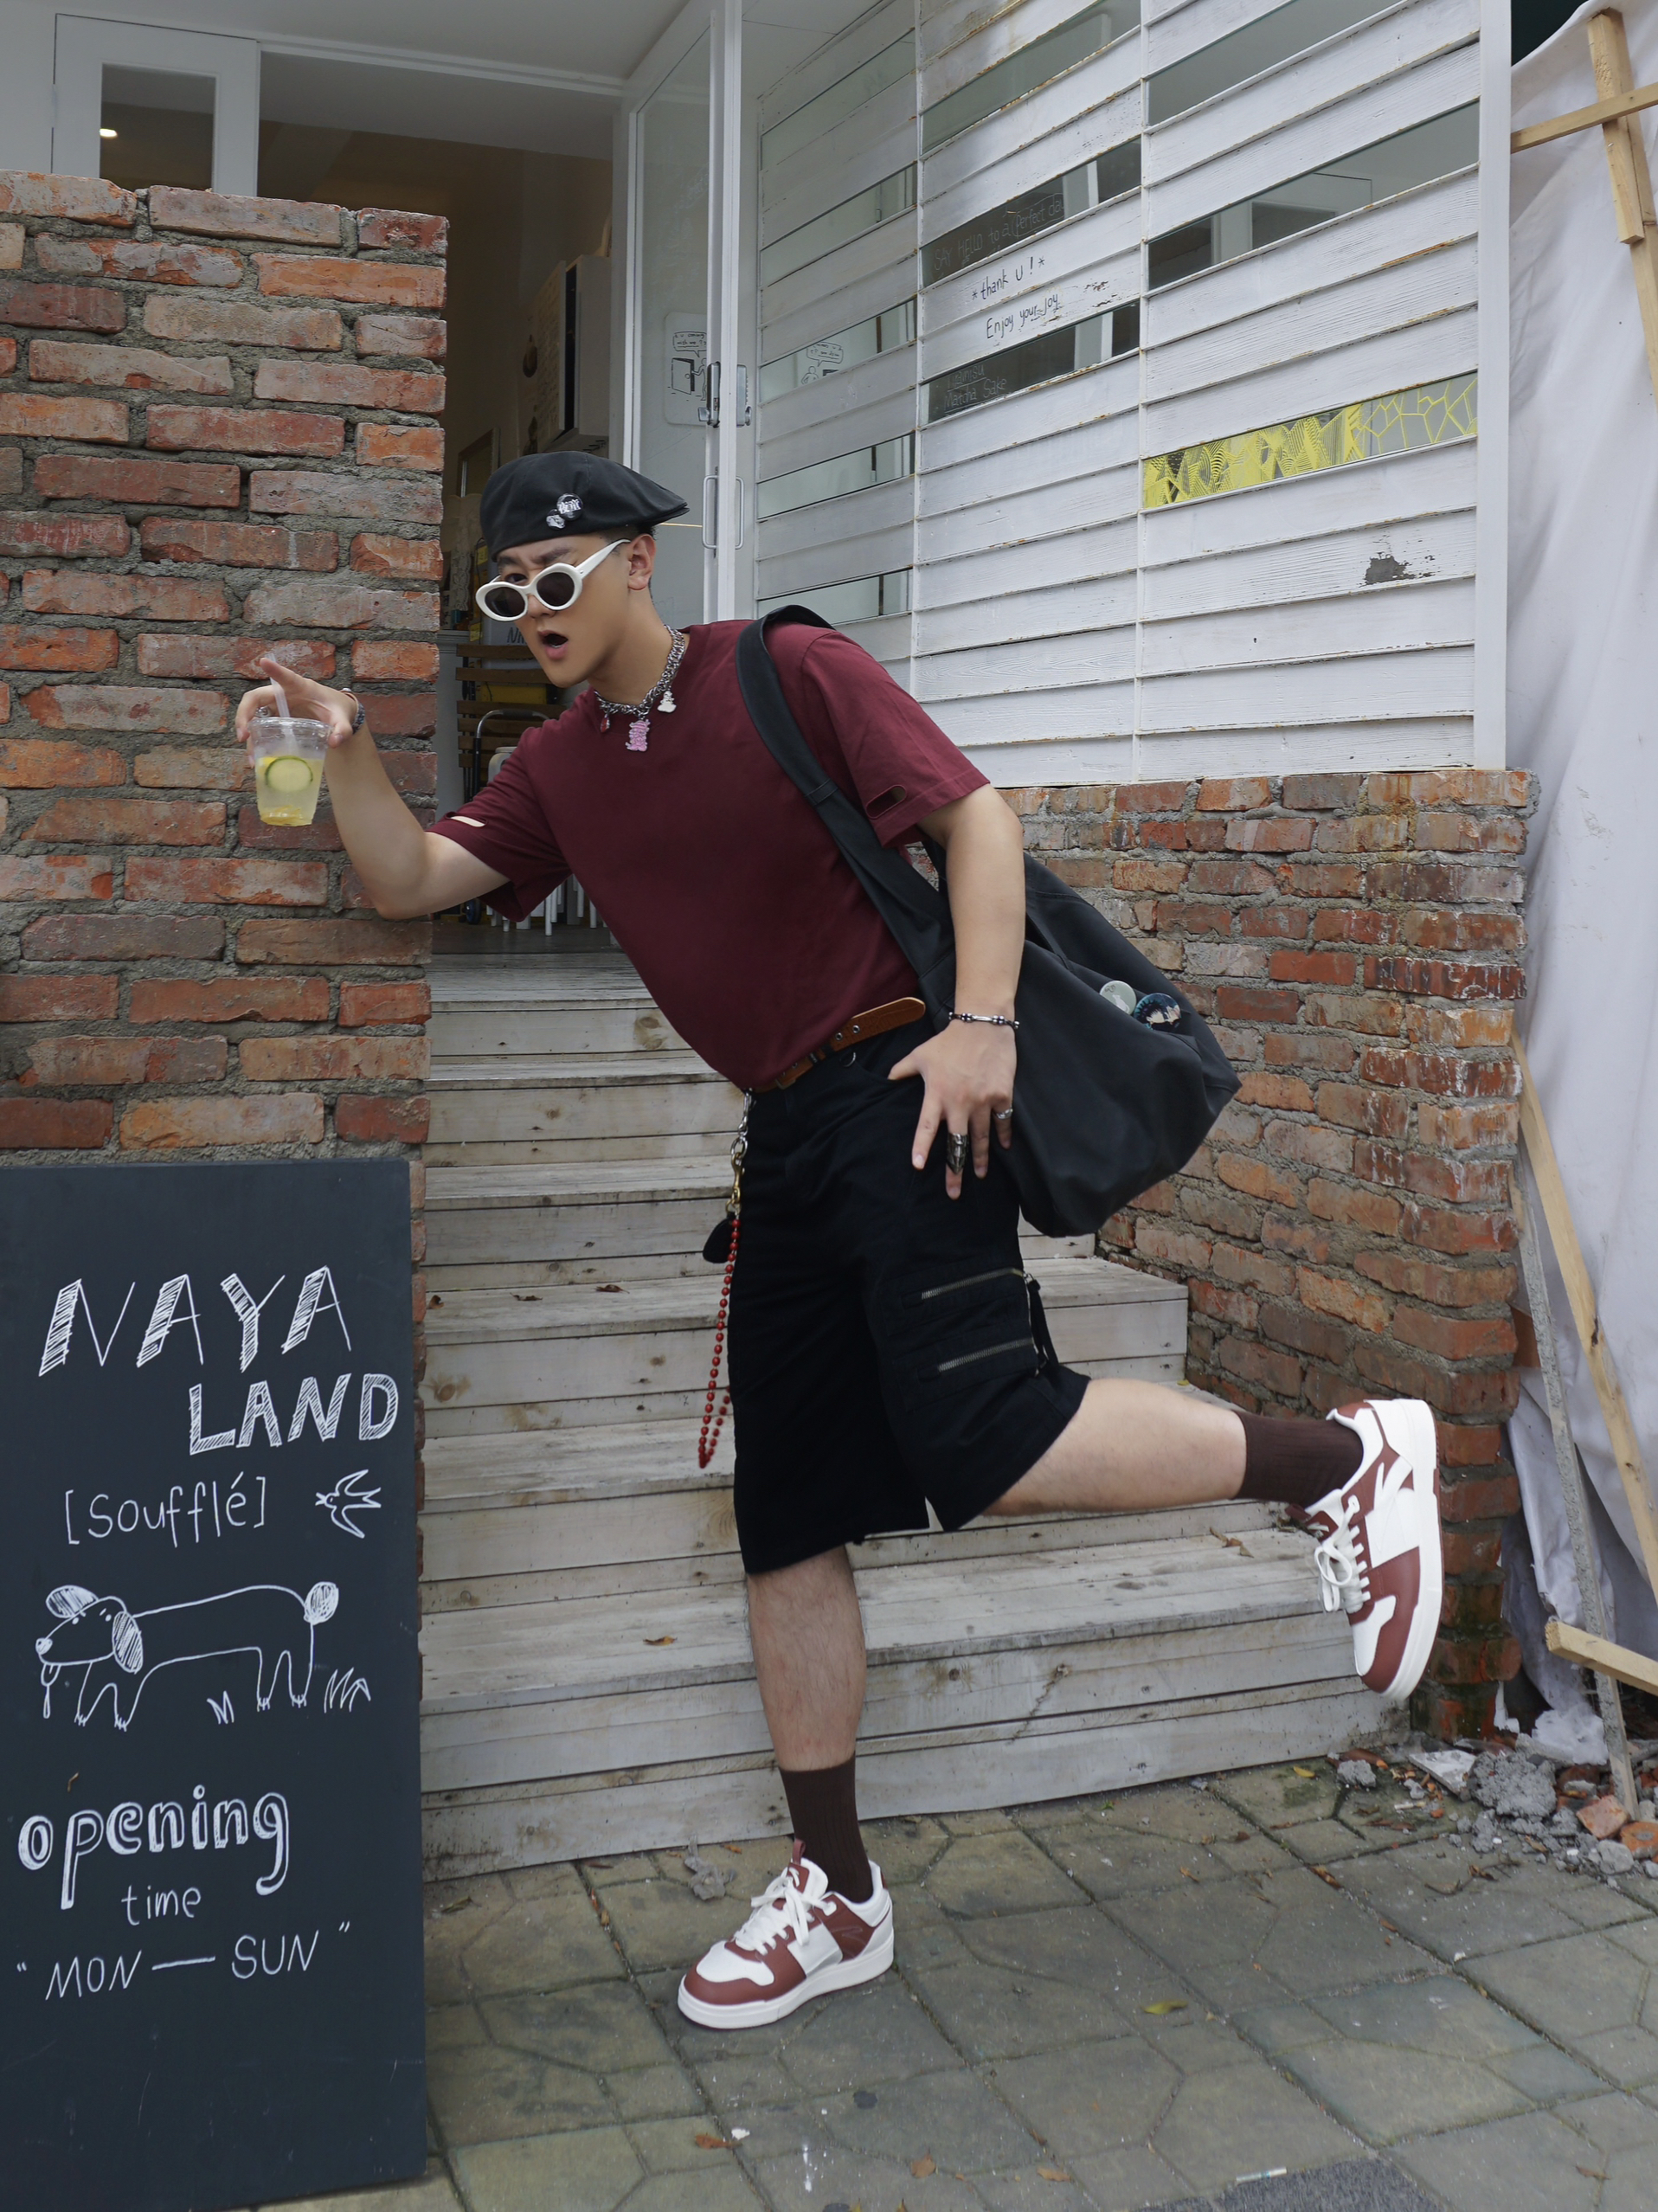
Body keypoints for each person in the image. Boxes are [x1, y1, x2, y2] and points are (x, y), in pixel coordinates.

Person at [238, 452, 1444, 2034]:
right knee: (788, 1512)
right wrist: (342, 751)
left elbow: (977, 820)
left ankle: (1345, 1458)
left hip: (907, 1086)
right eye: (506, 591)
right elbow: (408, 879)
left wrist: (983, 1025)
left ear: (638, 564)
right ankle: (837, 1890)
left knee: (991, 1431)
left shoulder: (788, 670)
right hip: (787, 1141)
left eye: (560, 576)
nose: (534, 610)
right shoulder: (557, 771)